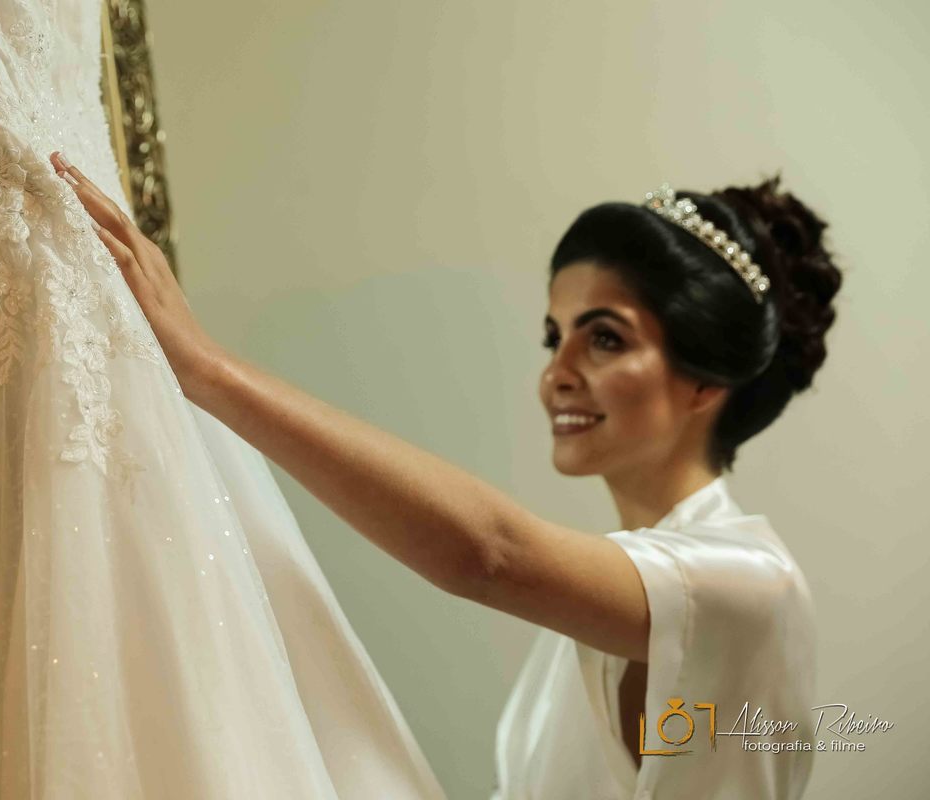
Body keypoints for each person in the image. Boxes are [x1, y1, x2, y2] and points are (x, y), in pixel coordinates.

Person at [51, 150, 842, 799]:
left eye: (604, 339)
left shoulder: (753, 586)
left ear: (705, 382)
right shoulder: (591, 620)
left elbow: (490, 554)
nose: (557, 374)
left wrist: (208, 371)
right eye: (553, 337)